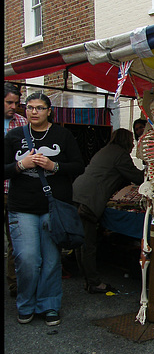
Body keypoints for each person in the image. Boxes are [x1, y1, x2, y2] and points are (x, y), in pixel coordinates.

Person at [4, 92, 84, 326]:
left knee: (51, 260)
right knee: (27, 258)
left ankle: (49, 304)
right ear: (25, 110)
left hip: (54, 207)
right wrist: (21, 165)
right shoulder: (14, 136)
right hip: (22, 207)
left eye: (39, 108)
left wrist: (54, 165)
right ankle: (26, 303)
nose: (34, 112)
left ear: (49, 111)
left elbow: (78, 166)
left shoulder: (63, 134)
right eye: (29, 108)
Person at [72, 128, 144, 294]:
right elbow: (137, 177)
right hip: (89, 201)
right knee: (88, 243)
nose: (133, 144)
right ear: (126, 141)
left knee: (80, 241)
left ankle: (87, 278)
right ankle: (93, 282)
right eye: (132, 140)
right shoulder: (120, 155)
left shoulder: (106, 150)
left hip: (77, 193)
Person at [4, 82, 28, 297]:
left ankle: (14, 283)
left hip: (13, 188)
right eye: (9, 102)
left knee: (15, 239)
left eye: (16, 103)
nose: (14, 106)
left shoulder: (21, 123)